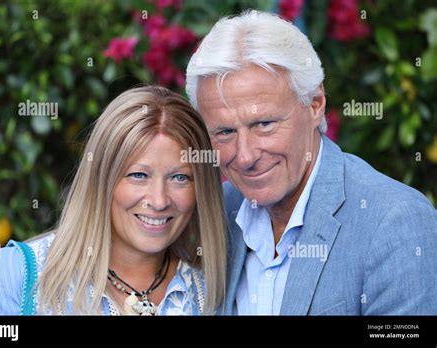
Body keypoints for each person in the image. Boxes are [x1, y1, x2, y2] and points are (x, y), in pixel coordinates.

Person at [186, 10, 437, 315]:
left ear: (315, 105)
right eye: (225, 132)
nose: (246, 156)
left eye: (264, 124)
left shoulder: (394, 221)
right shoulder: (216, 213)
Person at [0, 86, 227, 315]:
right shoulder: (13, 279)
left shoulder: (214, 292)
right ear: (101, 180)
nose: (159, 201)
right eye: (138, 175)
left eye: (180, 178)